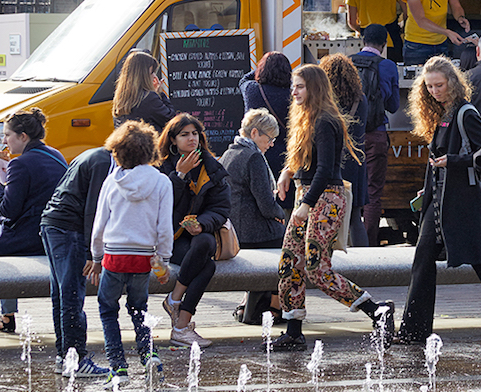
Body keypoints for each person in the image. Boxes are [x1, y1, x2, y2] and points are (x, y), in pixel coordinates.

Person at [396, 56, 481, 346]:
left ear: (453, 83)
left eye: (439, 85)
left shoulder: (464, 112)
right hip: (444, 201)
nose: (434, 91)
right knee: (434, 259)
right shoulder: (444, 112)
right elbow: (438, 163)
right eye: (429, 86)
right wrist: (429, 189)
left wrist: (453, 162)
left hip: (461, 203)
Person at [272, 64, 394, 351]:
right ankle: (293, 329)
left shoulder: (326, 120)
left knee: (317, 269)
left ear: (314, 87)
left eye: (299, 86)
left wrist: (305, 205)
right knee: (290, 261)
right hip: (310, 193)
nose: (294, 91)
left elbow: (326, 169)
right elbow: (305, 160)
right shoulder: (306, 117)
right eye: (293, 86)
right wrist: (287, 173)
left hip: (325, 197)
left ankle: (376, 310)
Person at [91, 121, 174, 388]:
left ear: (117, 151)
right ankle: (149, 354)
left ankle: (118, 368)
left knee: (107, 310)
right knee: (139, 308)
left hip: (114, 256)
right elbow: (164, 227)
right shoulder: (162, 182)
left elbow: (99, 226)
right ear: (151, 150)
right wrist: (164, 260)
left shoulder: (112, 182)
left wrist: (95, 257)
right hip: (142, 258)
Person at [0, 107, 68, 333]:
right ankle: (6, 316)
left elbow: (8, 210)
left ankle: (7, 316)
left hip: (29, 235)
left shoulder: (20, 163)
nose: (4, 141)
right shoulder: (56, 155)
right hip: (55, 232)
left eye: (7, 135)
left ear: (22, 136)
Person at [157, 113, 232, 347]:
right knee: (206, 265)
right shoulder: (161, 166)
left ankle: (175, 300)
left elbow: (221, 208)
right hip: (169, 238)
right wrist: (178, 176)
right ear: (173, 140)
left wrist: (202, 224)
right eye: (184, 135)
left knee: (206, 243)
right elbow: (160, 204)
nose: (191, 139)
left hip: (196, 237)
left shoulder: (211, 166)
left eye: (195, 134)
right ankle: (181, 327)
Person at [40, 147, 113, 377]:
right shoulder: (104, 162)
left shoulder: (92, 154)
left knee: (61, 295)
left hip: (52, 223)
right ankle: (77, 359)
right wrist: (95, 254)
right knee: (72, 295)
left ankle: (64, 356)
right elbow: (94, 209)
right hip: (69, 228)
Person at [221, 109, 286, 325]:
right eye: (269, 138)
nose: (271, 144)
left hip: (236, 229)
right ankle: (273, 307)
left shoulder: (230, 152)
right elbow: (266, 205)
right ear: (256, 133)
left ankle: (247, 302)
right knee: (287, 245)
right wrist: (281, 215)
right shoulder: (254, 157)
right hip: (253, 231)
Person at [350, 24, 401, 247]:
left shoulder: (346, 63)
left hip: (348, 137)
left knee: (345, 190)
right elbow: (393, 106)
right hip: (376, 135)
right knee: (372, 193)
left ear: (362, 40)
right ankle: (367, 246)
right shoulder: (388, 66)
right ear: (384, 44)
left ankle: (346, 241)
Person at [319, 53, 370, 246]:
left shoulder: (326, 102)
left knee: (326, 213)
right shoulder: (361, 99)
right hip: (355, 161)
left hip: (332, 161)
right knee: (355, 217)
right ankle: (364, 261)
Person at [240, 52, 293, 210]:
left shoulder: (252, 90)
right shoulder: (293, 95)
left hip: (259, 153)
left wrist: (260, 68)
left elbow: (243, 79)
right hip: (287, 157)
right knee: (286, 199)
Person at [112, 51, 176, 131]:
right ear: (143, 75)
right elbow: (171, 120)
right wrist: (160, 94)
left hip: (128, 142)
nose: (154, 76)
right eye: (152, 72)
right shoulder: (149, 97)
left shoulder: (120, 98)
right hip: (150, 142)